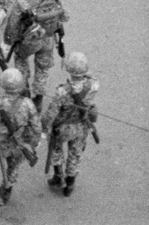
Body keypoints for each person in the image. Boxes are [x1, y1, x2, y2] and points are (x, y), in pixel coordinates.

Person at [4, 0, 68, 110]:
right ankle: (39, 99)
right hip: (48, 37)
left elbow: (12, 22)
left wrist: (9, 40)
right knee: (42, 69)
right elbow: (64, 16)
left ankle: (24, 93)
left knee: (21, 62)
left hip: (29, 40)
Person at [0, 66, 41, 207]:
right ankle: (7, 189)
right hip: (18, 143)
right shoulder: (28, 104)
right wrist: (34, 143)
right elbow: (36, 126)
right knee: (13, 167)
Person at [41, 51, 99, 196]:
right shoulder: (94, 85)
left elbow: (51, 113)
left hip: (63, 127)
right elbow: (91, 77)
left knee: (55, 147)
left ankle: (58, 175)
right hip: (81, 125)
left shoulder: (62, 91)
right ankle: (70, 183)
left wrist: (44, 128)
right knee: (76, 153)